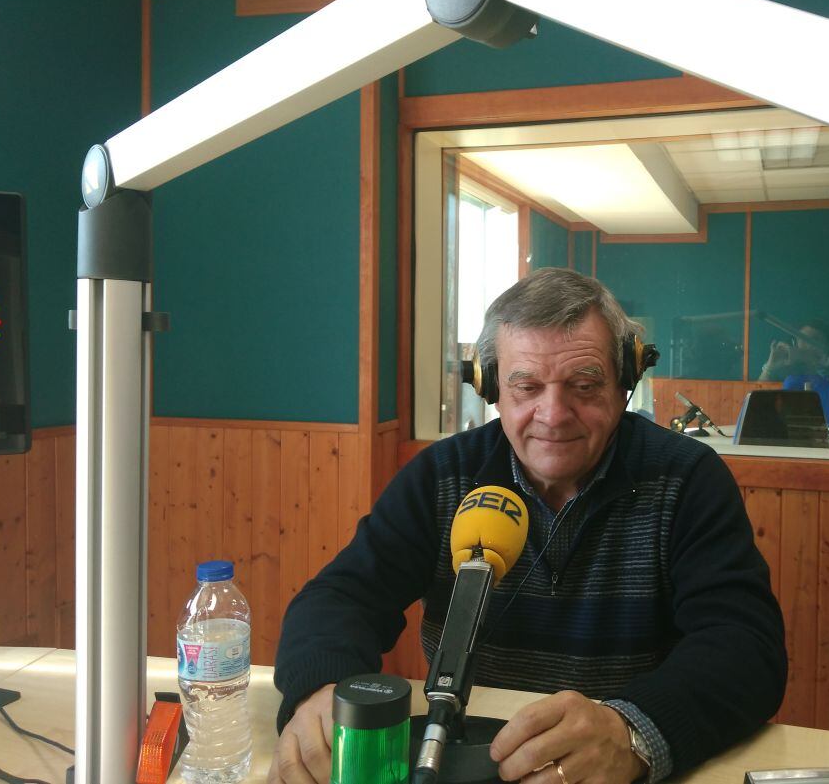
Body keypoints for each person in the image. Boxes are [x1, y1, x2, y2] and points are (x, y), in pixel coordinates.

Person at [269, 268, 786, 784]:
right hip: (464, 758)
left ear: (626, 378)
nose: (553, 414)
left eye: (584, 386)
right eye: (527, 387)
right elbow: (340, 597)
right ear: (491, 386)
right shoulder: (441, 475)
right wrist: (321, 692)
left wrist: (630, 731)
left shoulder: (687, 479)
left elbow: (745, 647)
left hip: (609, 770)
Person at [758, 318, 829, 382]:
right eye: (803, 339)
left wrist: (816, 367)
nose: (808, 345)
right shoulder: (785, 371)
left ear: (827, 345)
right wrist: (769, 368)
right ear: (794, 343)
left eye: (815, 339)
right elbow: (758, 396)